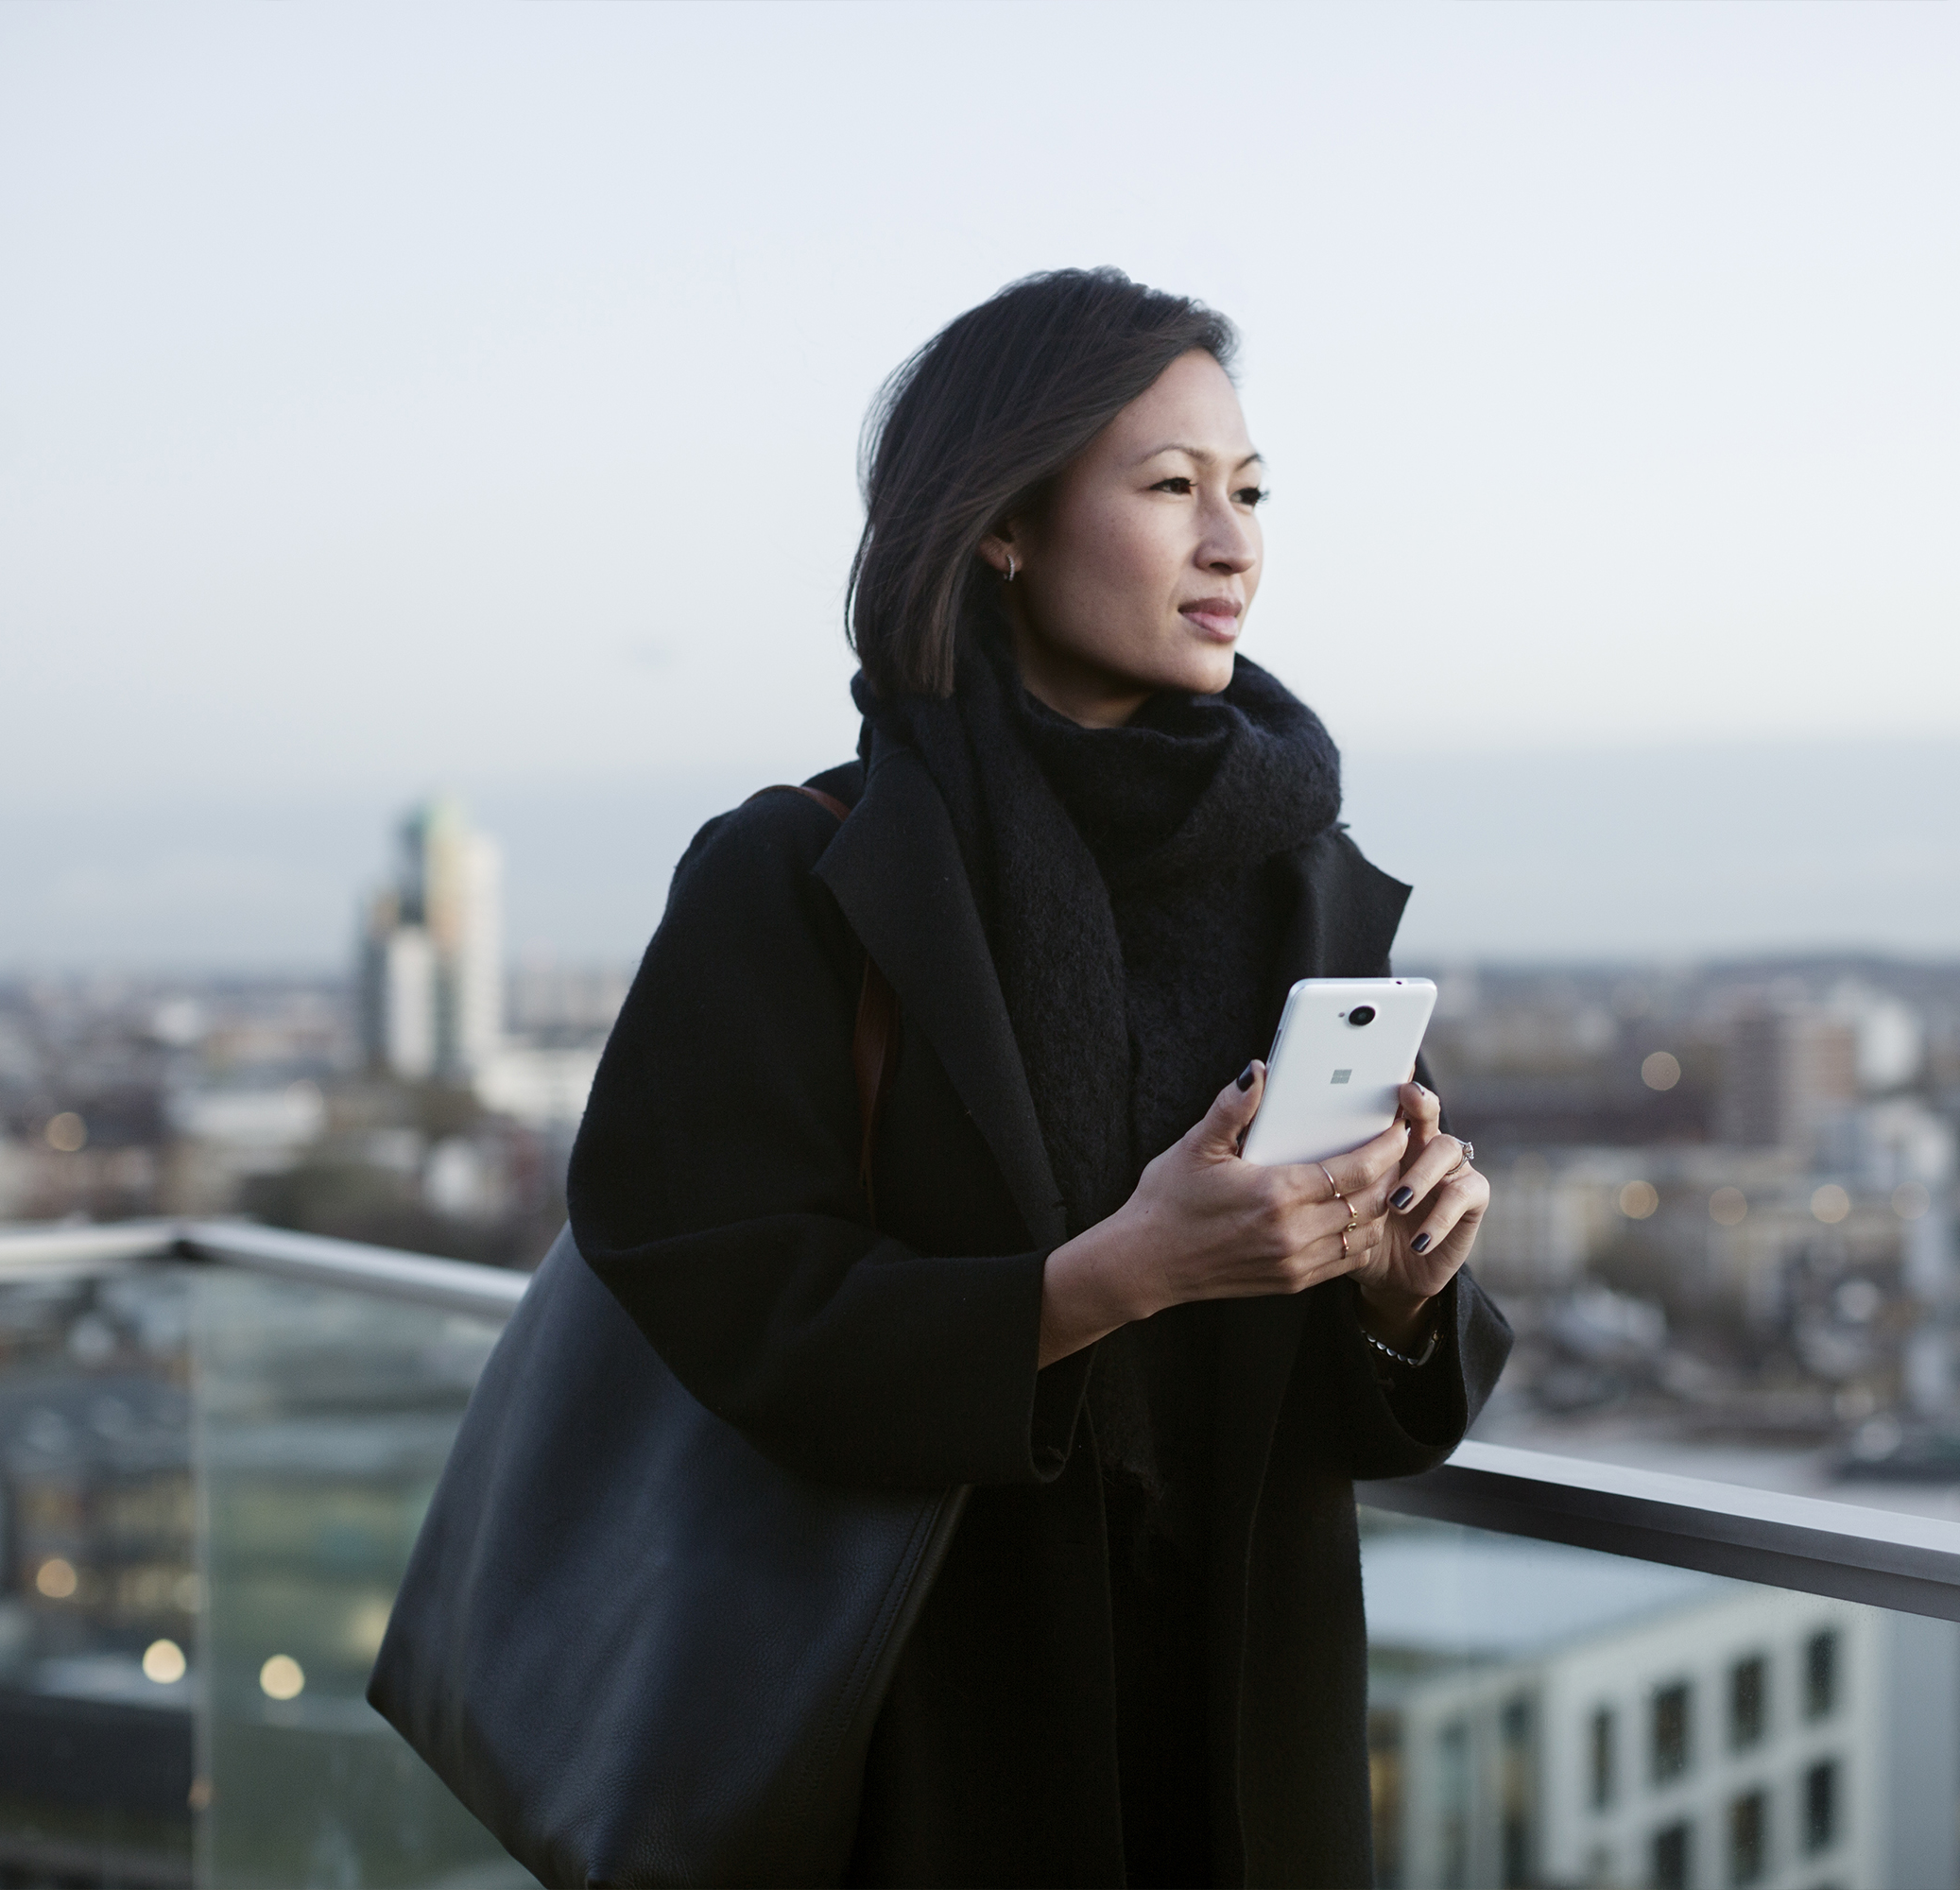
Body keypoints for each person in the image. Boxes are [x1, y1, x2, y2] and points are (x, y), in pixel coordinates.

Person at [566, 266, 1512, 1887]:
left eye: (1251, 491)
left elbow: (1358, 1398)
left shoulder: (1308, 878)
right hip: (920, 1730)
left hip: (1247, 1738)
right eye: (1170, 489)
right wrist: (1101, 1283)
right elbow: (717, 1290)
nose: (1235, 544)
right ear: (1000, 522)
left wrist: (1398, 1290)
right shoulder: (801, 873)